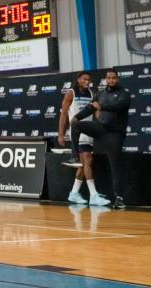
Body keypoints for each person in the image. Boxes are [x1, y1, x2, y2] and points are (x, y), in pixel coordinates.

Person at [68, 70, 131, 209]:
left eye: (114, 78)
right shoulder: (101, 94)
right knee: (76, 124)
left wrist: (102, 107)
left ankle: (119, 198)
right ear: (106, 79)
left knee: (115, 165)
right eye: (109, 78)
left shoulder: (124, 94)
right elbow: (90, 108)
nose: (111, 80)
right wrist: (77, 117)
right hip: (101, 129)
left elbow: (117, 107)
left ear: (118, 79)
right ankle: (74, 156)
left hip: (115, 134)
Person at [58, 73, 107, 206]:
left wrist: (100, 116)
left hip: (89, 132)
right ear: (78, 80)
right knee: (87, 161)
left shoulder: (92, 93)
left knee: (84, 164)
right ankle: (94, 195)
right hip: (78, 132)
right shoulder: (71, 93)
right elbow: (63, 114)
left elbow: (96, 113)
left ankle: (74, 193)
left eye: (89, 80)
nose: (87, 81)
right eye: (84, 79)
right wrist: (61, 134)